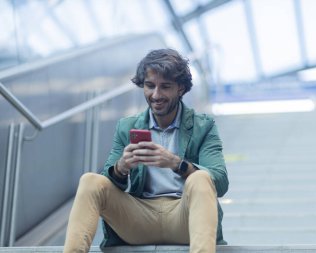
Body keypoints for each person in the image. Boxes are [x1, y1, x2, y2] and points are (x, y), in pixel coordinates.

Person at [63, 48, 229, 253]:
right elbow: (109, 179)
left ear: (181, 88)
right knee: (90, 180)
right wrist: (121, 167)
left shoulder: (203, 126)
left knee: (201, 178)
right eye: (150, 86)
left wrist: (176, 164)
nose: (156, 95)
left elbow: (220, 183)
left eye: (165, 87)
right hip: (139, 218)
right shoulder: (127, 126)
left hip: (185, 217)